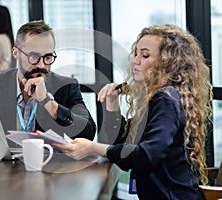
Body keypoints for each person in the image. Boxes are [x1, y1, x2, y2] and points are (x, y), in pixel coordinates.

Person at [54, 24, 212, 199]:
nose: (136, 60)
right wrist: (113, 105)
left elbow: (145, 156)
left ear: (168, 63)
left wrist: (91, 147)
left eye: (145, 55)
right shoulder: (156, 98)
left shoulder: (166, 99)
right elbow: (120, 141)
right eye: (136, 53)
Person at [0, 20, 96, 141]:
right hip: (4, 161)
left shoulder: (66, 86)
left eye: (48, 57)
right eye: (34, 57)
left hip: (47, 160)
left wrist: (48, 103)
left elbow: (88, 132)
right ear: (16, 53)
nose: (41, 65)